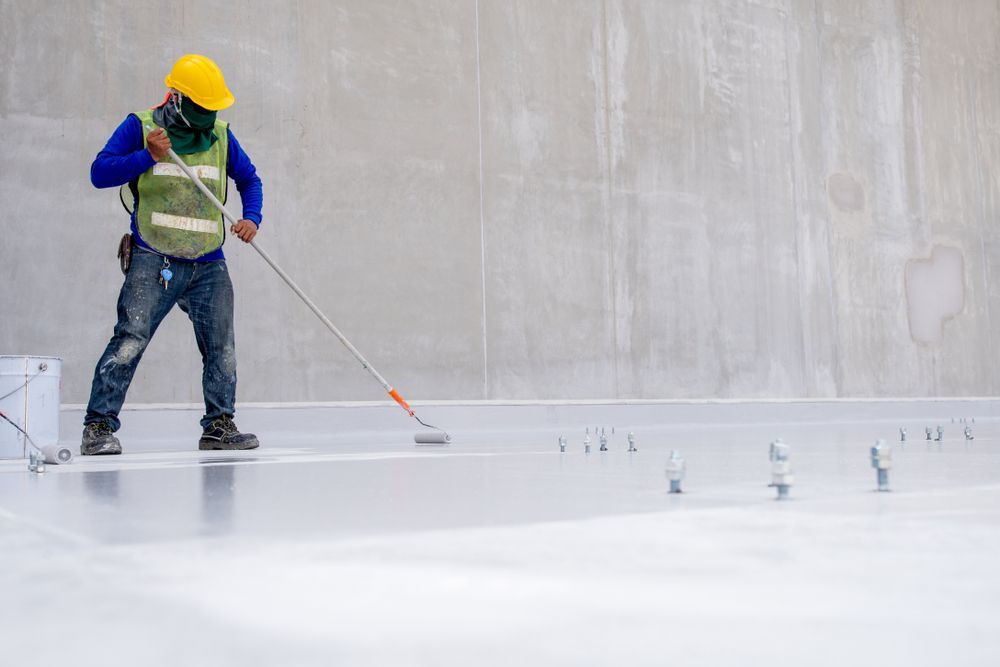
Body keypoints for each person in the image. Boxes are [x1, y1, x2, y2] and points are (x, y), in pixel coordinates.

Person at [81, 54, 262, 455]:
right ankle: (98, 427)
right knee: (130, 339)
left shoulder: (220, 134)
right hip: (153, 257)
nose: (206, 115)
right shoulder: (141, 127)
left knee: (221, 347)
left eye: (211, 108)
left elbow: (249, 179)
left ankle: (219, 426)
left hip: (208, 261)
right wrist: (147, 156)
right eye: (200, 107)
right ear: (176, 98)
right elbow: (100, 173)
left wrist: (252, 218)